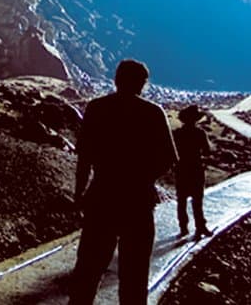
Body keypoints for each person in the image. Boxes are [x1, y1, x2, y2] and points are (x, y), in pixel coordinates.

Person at [70, 59, 178, 305]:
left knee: (88, 271)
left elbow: (84, 158)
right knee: (135, 276)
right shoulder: (153, 112)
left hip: (101, 198)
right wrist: (143, 179)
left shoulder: (97, 108)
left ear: (116, 79)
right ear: (142, 84)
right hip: (138, 204)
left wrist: (80, 194)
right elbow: (168, 160)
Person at [173, 104, 213, 240]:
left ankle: (183, 228)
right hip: (196, 169)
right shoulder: (200, 133)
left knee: (181, 201)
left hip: (181, 170)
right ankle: (200, 227)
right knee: (197, 201)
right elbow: (207, 151)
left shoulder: (177, 134)